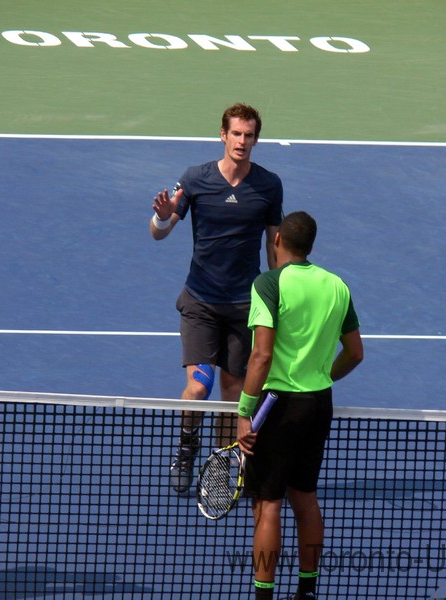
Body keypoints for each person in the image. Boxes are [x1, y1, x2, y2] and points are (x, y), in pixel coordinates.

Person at [149, 102, 284, 493]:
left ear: (256, 139)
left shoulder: (269, 185)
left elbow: (273, 244)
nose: (242, 141)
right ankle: (187, 447)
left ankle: (222, 460)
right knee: (198, 388)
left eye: (249, 135)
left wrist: (277, 295)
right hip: (201, 303)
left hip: (246, 305)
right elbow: (160, 232)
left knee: (232, 394)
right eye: (236, 134)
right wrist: (161, 216)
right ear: (222, 135)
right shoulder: (195, 179)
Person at [236, 211, 364, 600]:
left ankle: (263, 594)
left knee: (269, 503)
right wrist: (323, 375)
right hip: (318, 403)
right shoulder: (337, 286)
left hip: (277, 405)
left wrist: (244, 412)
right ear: (310, 246)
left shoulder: (268, 284)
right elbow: (355, 353)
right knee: (305, 498)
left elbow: (261, 356)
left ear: (277, 241)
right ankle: (307, 591)